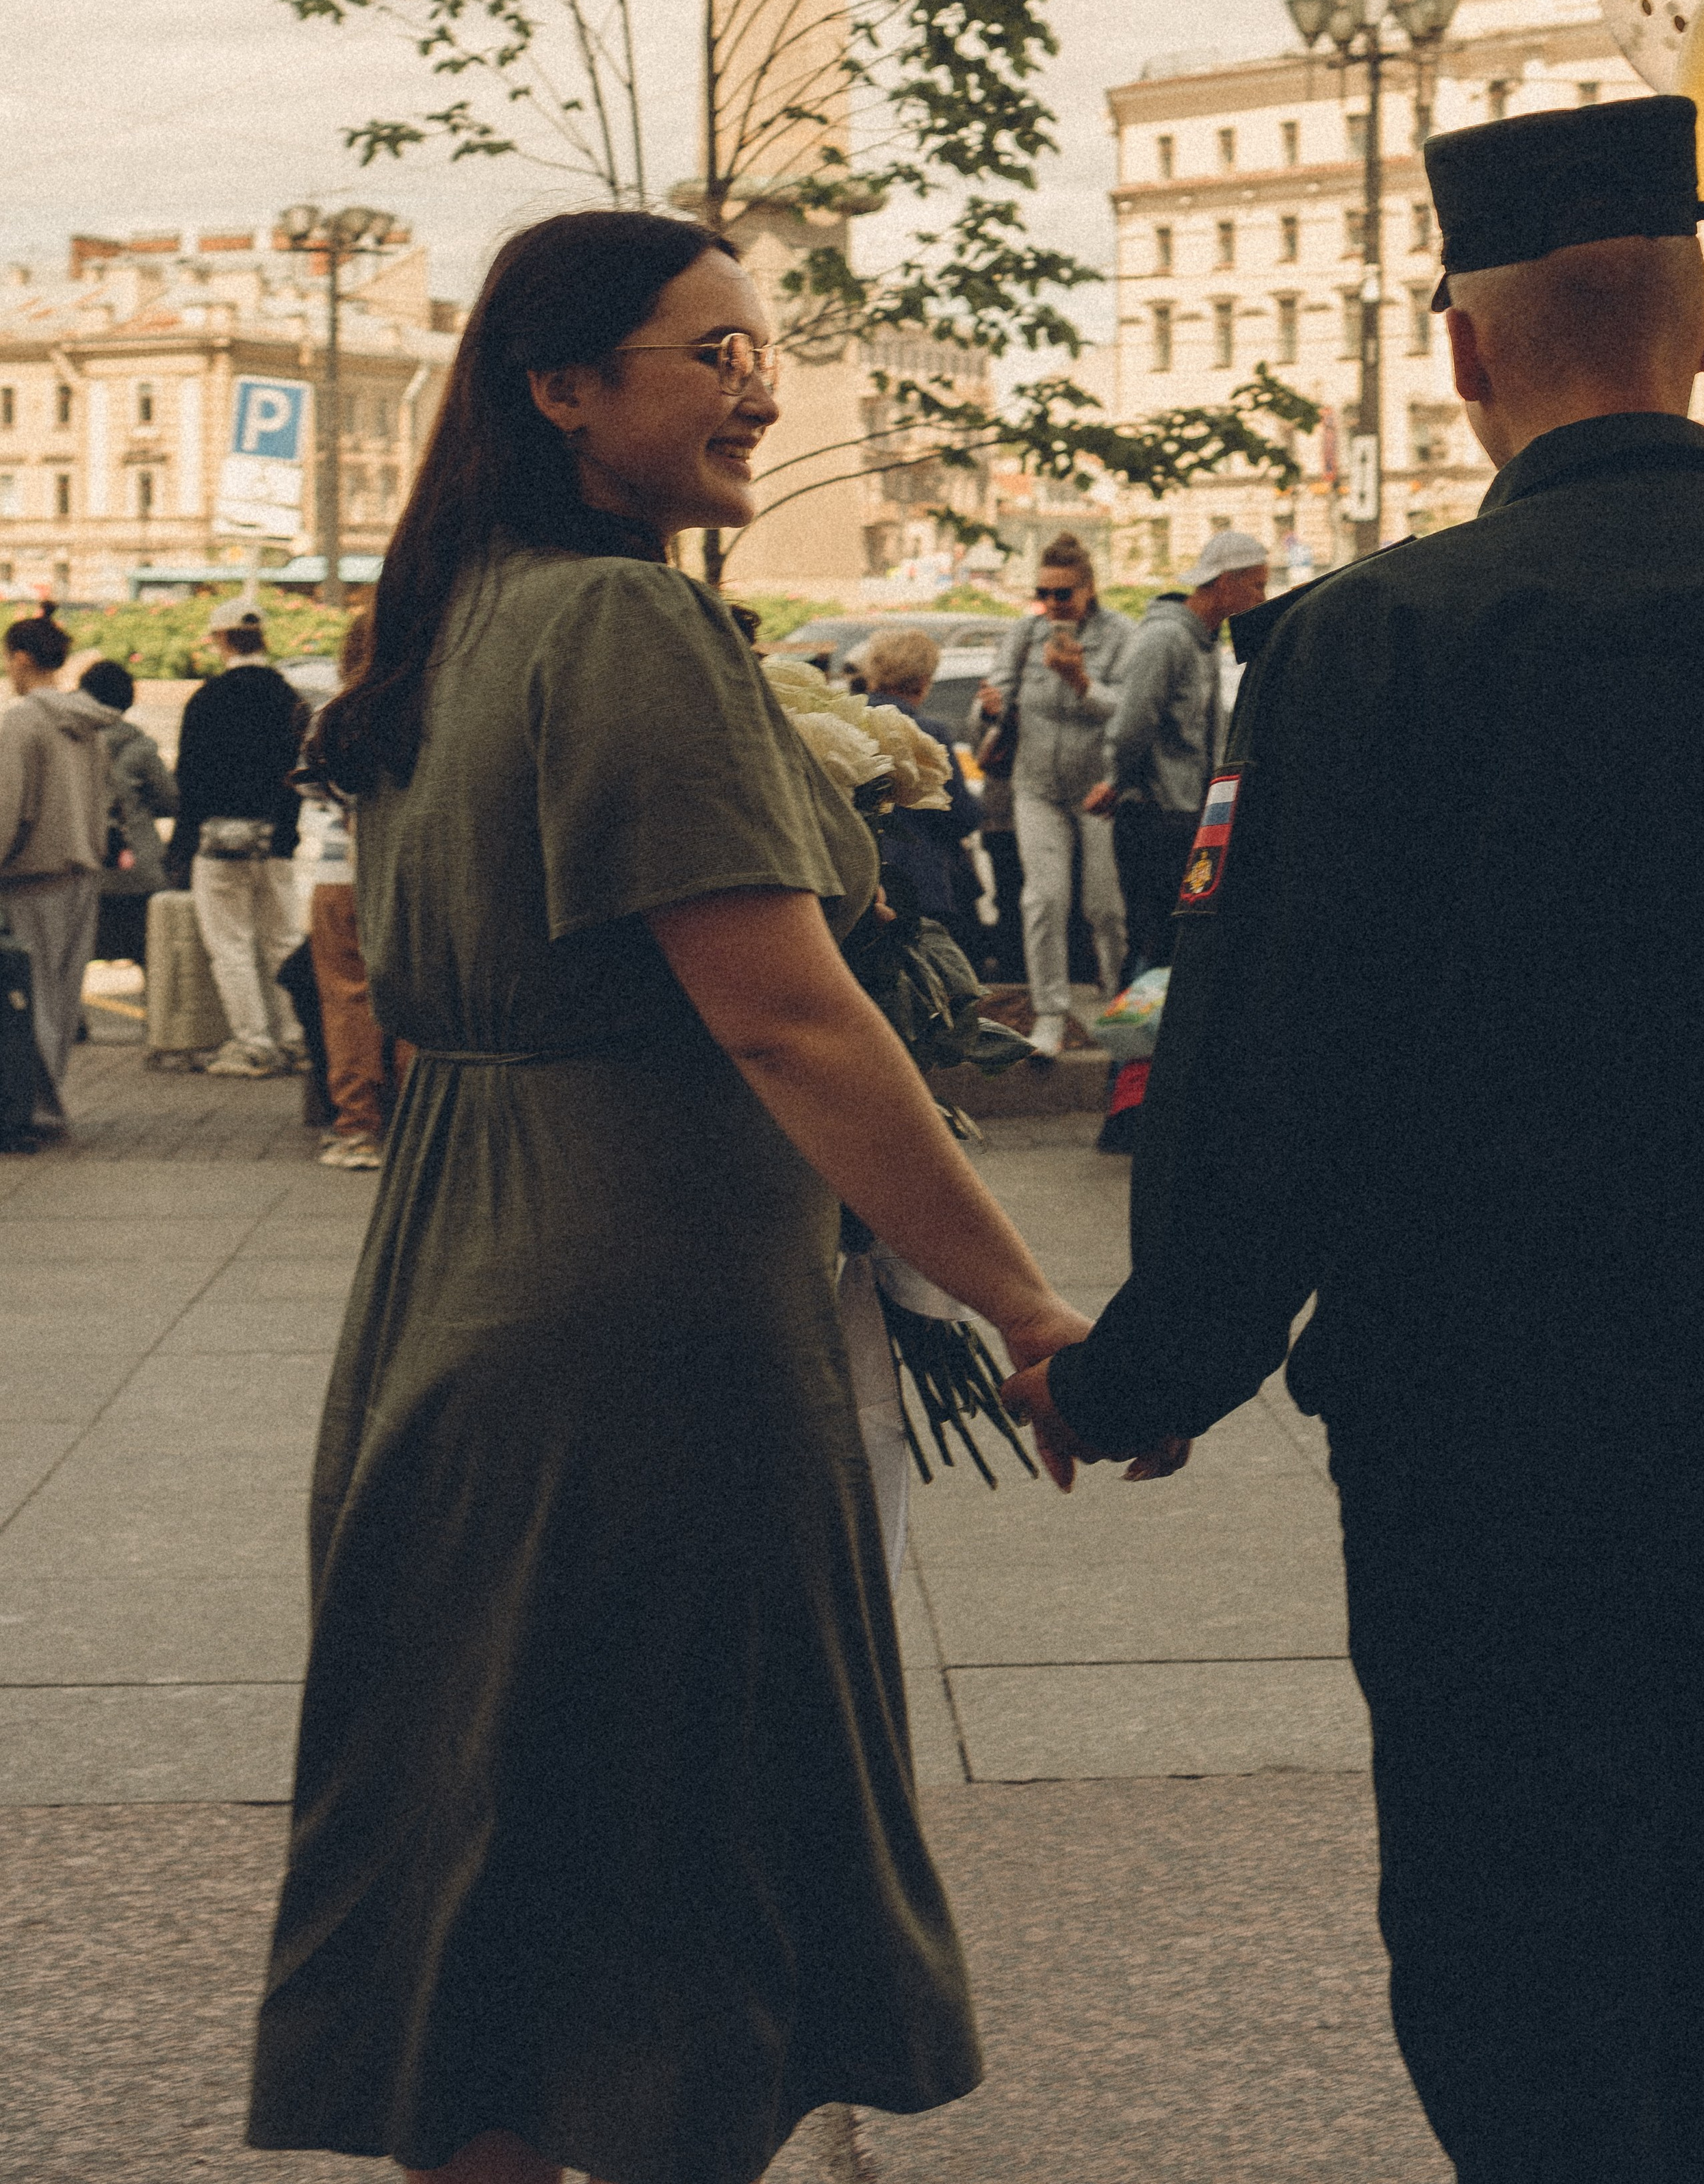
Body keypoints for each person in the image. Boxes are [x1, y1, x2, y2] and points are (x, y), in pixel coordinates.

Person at [246, 209, 1089, 2184]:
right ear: (561, 391)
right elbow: (787, 1023)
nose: (758, 387)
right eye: (707, 354)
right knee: (685, 1876)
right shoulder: (628, 625)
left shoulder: (452, 623)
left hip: (455, 1286)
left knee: (506, 1871)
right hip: (647, 1316)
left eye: (759, 348)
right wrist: (1027, 1304)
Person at [1005, 94, 1704, 2182]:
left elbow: (1269, 1066)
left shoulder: (1371, 645)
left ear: (1457, 352)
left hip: (1501, 1431)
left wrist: (1152, 1361)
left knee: (1523, 1942)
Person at [977, 534, 1133, 1057]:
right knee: (1043, 898)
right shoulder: (1025, 633)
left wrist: (1081, 682)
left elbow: (1127, 713)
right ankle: (1049, 1013)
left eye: (1063, 594)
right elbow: (992, 704)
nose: (1052, 605)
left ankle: (1115, 1000)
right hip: (1037, 784)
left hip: (1096, 789)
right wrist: (993, 705)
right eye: (1043, 593)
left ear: (1089, 590)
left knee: (1104, 904)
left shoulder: (1118, 635)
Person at [1085, 530, 1269, 976]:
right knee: (1152, 939)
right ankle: (1132, 1044)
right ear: (1225, 583)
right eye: (1257, 585)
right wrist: (1116, 781)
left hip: (1188, 815)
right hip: (1155, 816)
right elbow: (1132, 725)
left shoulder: (1204, 640)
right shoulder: (1165, 637)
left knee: (1179, 939)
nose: (1263, 597)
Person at [166, 599, 309, 1078]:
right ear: (262, 638)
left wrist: (181, 848)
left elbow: (190, 780)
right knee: (284, 940)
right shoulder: (289, 697)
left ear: (221, 639)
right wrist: (285, 833)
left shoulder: (207, 699)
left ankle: (254, 1044)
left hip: (220, 842)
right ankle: (298, 1038)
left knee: (230, 945)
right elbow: (300, 774)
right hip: (277, 840)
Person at [0, 606, 112, 1131]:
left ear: (21, 657)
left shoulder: (20, 723)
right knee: (62, 1000)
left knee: (30, 999)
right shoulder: (89, 723)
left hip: (30, 877)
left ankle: (31, 1108)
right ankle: (45, 1103)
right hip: (81, 873)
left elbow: (9, 809)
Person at [301, 612, 402, 1170]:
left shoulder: (330, 716)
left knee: (346, 1002)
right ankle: (417, 1122)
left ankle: (358, 1127)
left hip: (340, 877)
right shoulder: (424, 709)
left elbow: (313, 783)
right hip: (406, 879)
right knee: (414, 997)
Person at [858, 627, 983, 961]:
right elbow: (961, 817)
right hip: (923, 882)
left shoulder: (845, 722)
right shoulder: (928, 732)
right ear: (925, 679)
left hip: (859, 879)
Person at [79, 658, 179, 968]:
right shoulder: (141, 749)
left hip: (89, 871)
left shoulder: (73, 744)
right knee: (152, 960)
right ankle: (157, 1018)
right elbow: (170, 801)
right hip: (141, 873)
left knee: (76, 964)